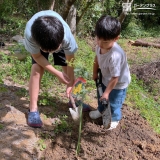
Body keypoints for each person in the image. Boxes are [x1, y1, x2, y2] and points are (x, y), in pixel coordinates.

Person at [24, 10, 78, 128]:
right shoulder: (31, 35)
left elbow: (70, 61)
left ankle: (72, 98)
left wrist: (70, 82)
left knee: (65, 65)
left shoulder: (66, 37)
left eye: (55, 49)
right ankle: (33, 109)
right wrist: (57, 73)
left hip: (56, 36)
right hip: (41, 37)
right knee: (37, 69)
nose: (52, 53)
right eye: (49, 51)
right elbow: (37, 56)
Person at [89, 15, 131, 130]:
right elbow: (96, 59)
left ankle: (115, 119)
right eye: (98, 39)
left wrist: (107, 93)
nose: (100, 44)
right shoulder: (100, 46)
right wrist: (94, 73)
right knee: (101, 96)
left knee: (113, 102)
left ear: (116, 38)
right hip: (105, 78)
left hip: (118, 84)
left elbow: (115, 78)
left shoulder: (115, 55)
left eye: (105, 42)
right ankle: (100, 110)